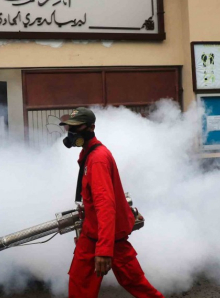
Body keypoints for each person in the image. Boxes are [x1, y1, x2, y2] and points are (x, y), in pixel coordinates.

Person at [60, 107, 164, 298]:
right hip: (96, 234)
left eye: (77, 127)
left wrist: (104, 250)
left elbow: (106, 207)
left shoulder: (97, 159)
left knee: (129, 284)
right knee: (85, 284)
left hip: (103, 237)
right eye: (70, 127)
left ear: (91, 128)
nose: (72, 132)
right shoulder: (89, 155)